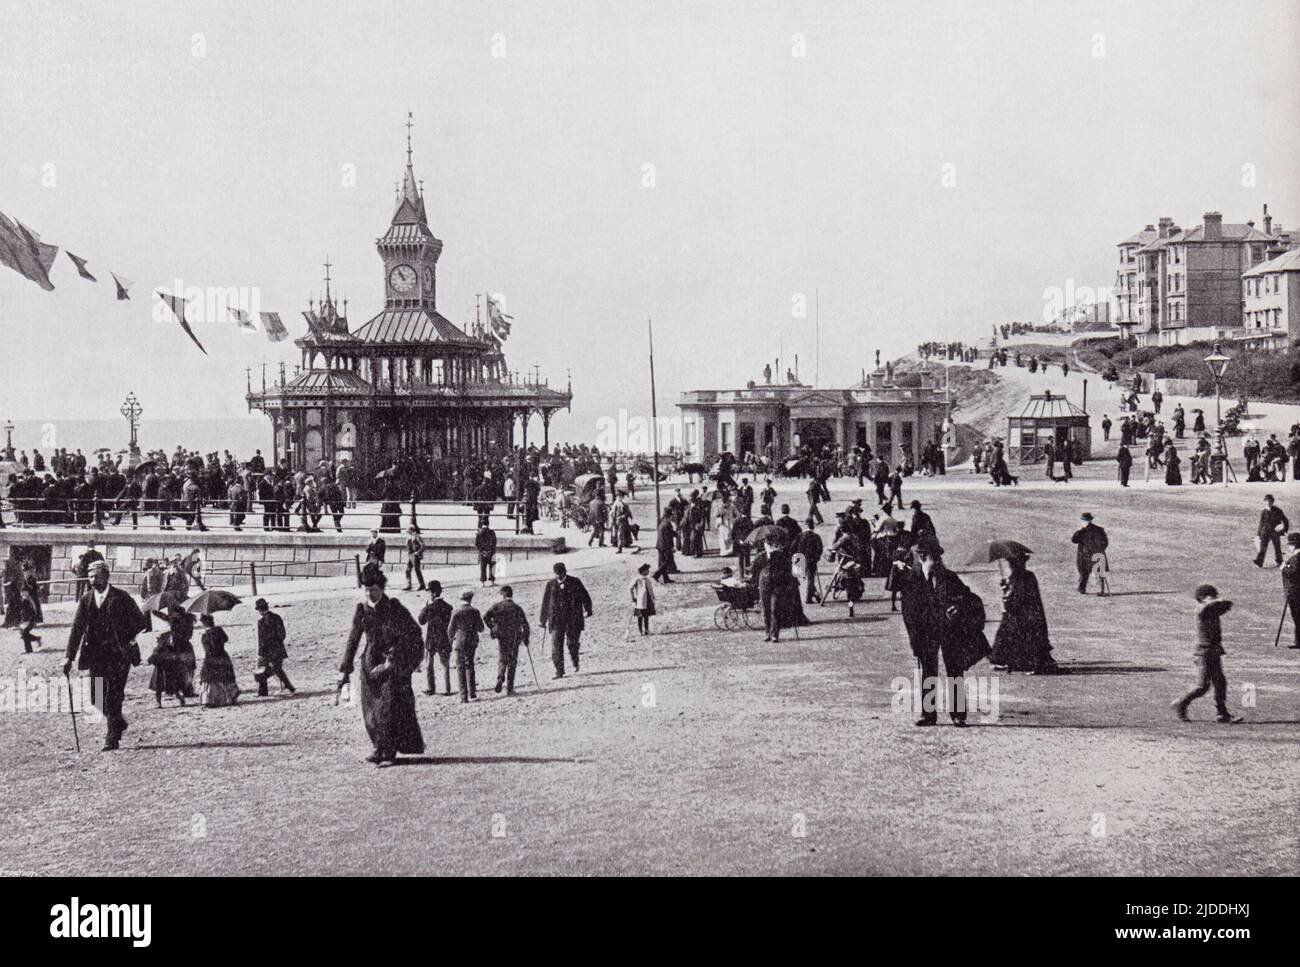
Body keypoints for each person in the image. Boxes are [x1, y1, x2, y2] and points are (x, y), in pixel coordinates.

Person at [892, 535, 989, 726]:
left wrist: (958, 608)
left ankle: (958, 715)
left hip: (950, 632)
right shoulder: (913, 581)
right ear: (922, 558)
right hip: (926, 634)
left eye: (937, 558)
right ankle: (928, 714)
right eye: (931, 558)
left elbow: (969, 599)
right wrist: (914, 638)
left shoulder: (950, 578)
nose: (936, 562)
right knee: (929, 673)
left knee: (955, 672)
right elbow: (908, 613)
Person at [338, 563, 426, 765]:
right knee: (370, 711)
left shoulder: (394, 608)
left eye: (374, 590)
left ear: (382, 589)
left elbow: (411, 634)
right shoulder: (361, 610)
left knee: (389, 708)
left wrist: (390, 662)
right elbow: (353, 638)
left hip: (392, 666)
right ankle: (379, 747)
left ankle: (389, 752)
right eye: (367, 590)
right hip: (369, 665)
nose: (370, 594)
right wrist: (345, 667)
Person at [64, 561, 147, 751]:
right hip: (96, 655)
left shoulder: (121, 597)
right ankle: (117, 722)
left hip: (119, 655)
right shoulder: (86, 600)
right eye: (90, 576)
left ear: (106, 577)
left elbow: (140, 622)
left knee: (114, 696)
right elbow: (76, 629)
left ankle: (112, 739)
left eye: (97, 576)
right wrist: (69, 657)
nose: (93, 580)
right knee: (96, 697)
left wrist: (125, 636)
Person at [1172, 585, 1242, 724]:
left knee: (1220, 683)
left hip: (1214, 651)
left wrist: (1217, 601)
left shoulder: (1213, 611)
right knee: (1202, 686)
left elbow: (1227, 604)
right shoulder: (1201, 611)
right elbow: (1206, 608)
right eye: (1211, 595)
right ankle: (1180, 704)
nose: (1215, 597)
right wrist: (1212, 601)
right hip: (1203, 653)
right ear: (1202, 599)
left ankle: (1222, 713)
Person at [989, 550, 1057, 673]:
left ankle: (1022, 663)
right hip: (1032, 614)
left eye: (1011, 563)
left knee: (1018, 637)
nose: (1010, 565)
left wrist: (1006, 589)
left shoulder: (1017, 577)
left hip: (1020, 615)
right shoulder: (1029, 575)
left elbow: (1013, 599)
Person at [539, 562, 593, 678]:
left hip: (572, 619)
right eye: (557, 574)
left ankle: (575, 661)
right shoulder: (551, 585)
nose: (559, 576)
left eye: (561, 573)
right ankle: (559, 671)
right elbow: (546, 603)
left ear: (565, 572)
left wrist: (588, 610)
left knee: (571, 643)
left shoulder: (575, 582)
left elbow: (585, 596)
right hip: (556, 620)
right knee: (556, 646)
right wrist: (542, 620)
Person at [485, 585, 530, 694]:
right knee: (512, 661)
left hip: (501, 636)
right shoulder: (517, 607)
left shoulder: (497, 606)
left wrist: (492, 627)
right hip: (515, 636)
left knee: (502, 658)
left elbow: (485, 616)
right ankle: (510, 688)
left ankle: (500, 677)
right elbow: (525, 624)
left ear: (503, 594)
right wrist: (526, 638)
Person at [448, 589, 485, 702]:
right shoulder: (475, 611)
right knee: (470, 665)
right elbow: (481, 628)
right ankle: (472, 692)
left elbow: (450, 629)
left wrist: (451, 639)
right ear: (470, 599)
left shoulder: (456, 612)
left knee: (460, 667)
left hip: (459, 641)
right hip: (472, 641)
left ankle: (463, 696)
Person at [418, 580, 454, 695]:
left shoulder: (430, 607)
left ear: (433, 593)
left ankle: (431, 688)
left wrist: (425, 607)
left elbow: (421, 621)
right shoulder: (448, 607)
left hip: (431, 639)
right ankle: (446, 689)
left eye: (429, 592)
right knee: (445, 665)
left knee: (429, 665)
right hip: (444, 638)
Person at [253, 598, 295, 696]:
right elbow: (282, 634)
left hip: (266, 651)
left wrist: (261, 653)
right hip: (278, 649)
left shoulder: (261, 622)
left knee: (262, 670)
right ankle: (289, 688)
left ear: (260, 610)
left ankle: (263, 692)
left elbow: (261, 640)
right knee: (277, 669)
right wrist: (277, 643)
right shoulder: (277, 617)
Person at [197, 614, 240, 707]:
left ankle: (211, 700)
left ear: (204, 623)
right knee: (226, 677)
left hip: (212, 658)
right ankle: (229, 697)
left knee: (209, 678)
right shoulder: (219, 630)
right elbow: (226, 639)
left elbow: (208, 650)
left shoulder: (205, 636)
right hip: (223, 656)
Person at [1071, 512, 1109, 594]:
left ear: (1084, 521)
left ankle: (1082, 589)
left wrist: (1080, 530)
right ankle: (1101, 590)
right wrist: (1100, 549)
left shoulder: (1083, 531)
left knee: (1083, 572)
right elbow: (1105, 542)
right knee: (1099, 572)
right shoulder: (1099, 529)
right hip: (1097, 553)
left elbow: (1074, 540)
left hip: (1085, 555)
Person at [1254, 494, 1289, 568]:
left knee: (1277, 547)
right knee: (1263, 547)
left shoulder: (1277, 510)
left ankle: (1279, 562)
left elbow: (1285, 520)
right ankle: (1259, 562)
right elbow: (1261, 523)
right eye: (1266, 501)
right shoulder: (1264, 511)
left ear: (1272, 502)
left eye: (1269, 501)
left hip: (1274, 532)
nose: (1268, 503)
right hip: (1265, 532)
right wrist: (1258, 534)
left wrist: (1284, 529)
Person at [795, 518, 823, 604]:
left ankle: (815, 594)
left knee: (806, 578)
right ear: (813, 526)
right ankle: (809, 598)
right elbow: (820, 549)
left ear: (805, 526)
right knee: (810, 579)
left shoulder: (800, 536)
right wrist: (816, 558)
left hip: (800, 560)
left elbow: (793, 547)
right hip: (811, 560)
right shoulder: (816, 537)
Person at [628, 562, 656, 635]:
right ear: (643, 571)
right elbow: (630, 588)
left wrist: (653, 598)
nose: (648, 572)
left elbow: (650, 590)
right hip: (639, 600)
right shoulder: (637, 579)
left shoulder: (647, 580)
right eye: (647, 570)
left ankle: (646, 630)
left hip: (647, 600)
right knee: (640, 616)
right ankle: (640, 630)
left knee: (646, 616)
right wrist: (633, 598)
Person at [653, 513, 677, 584]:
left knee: (663, 562)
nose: (673, 517)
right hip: (665, 546)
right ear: (669, 516)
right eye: (672, 516)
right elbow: (667, 537)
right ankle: (656, 575)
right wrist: (671, 547)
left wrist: (675, 534)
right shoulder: (667, 524)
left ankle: (666, 578)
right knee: (668, 561)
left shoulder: (662, 523)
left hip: (660, 545)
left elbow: (669, 533)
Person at [404, 526, 426, 592]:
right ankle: (409, 585)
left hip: (415, 555)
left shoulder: (417, 536)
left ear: (411, 530)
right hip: (410, 555)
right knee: (407, 570)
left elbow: (423, 546)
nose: (407, 532)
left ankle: (422, 585)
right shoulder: (409, 537)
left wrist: (418, 552)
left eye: (408, 531)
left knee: (417, 570)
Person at [476, 520, 497, 586]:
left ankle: (482, 582)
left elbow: (477, 543)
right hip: (490, 552)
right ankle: (492, 581)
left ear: (481, 524)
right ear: (488, 524)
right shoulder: (492, 532)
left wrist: (482, 551)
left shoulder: (479, 533)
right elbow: (494, 542)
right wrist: (491, 550)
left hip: (483, 553)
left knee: (483, 567)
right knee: (492, 566)